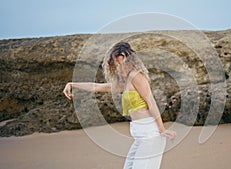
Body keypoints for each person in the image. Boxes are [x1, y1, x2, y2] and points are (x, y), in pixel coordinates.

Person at [63, 41, 176, 169]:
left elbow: (151, 103)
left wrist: (162, 130)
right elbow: (96, 87)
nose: (120, 69)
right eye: (117, 65)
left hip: (150, 135)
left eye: (123, 64)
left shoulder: (136, 77)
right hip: (140, 136)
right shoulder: (125, 81)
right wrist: (72, 84)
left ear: (131, 62)